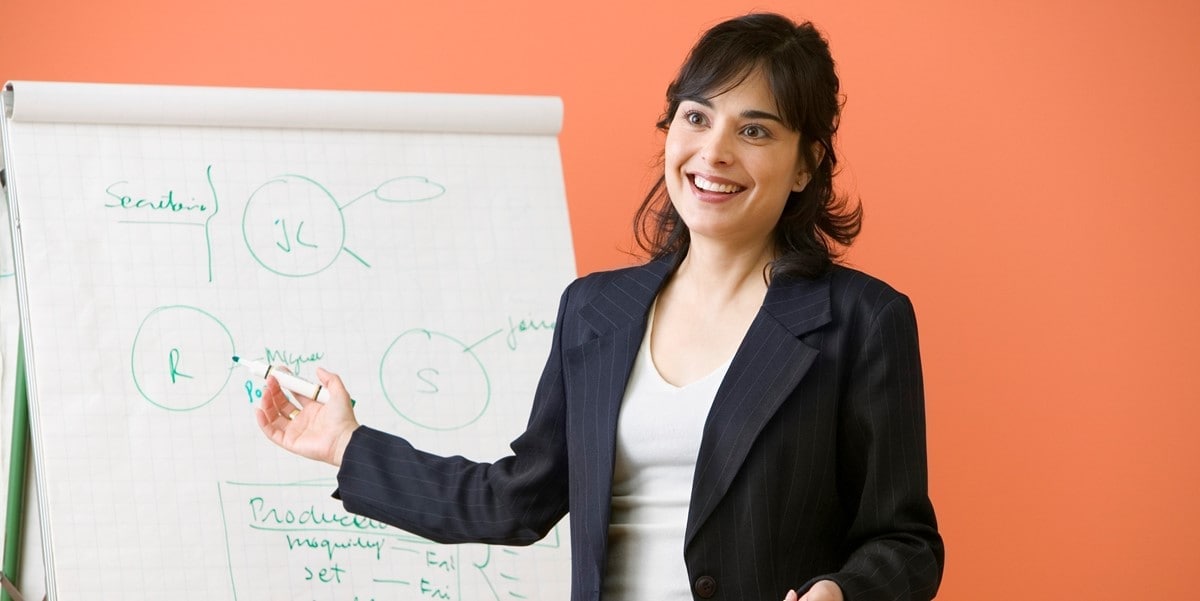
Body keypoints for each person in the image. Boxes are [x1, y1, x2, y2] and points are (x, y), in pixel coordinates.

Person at [256, 12, 944, 601]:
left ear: (805, 164)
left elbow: (907, 540)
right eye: (696, 117)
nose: (715, 151)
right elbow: (516, 498)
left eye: (755, 131)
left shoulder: (861, 320)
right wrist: (345, 444)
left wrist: (846, 589)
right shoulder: (594, 311)